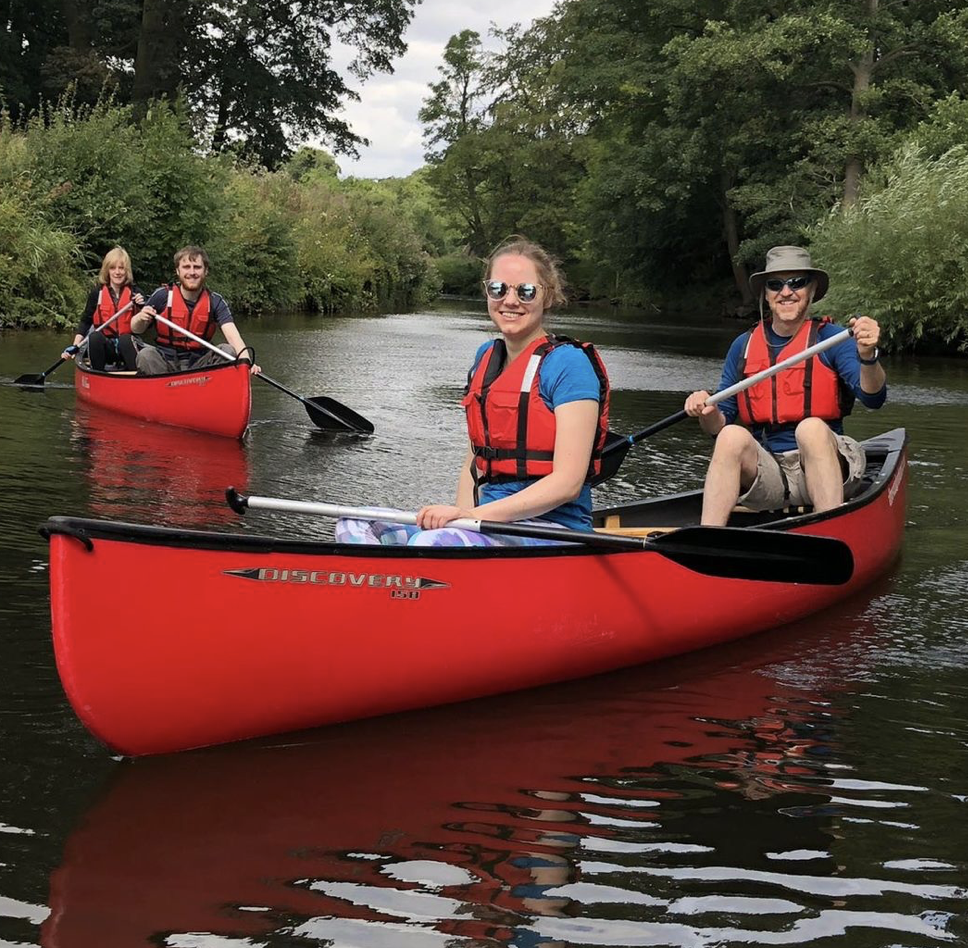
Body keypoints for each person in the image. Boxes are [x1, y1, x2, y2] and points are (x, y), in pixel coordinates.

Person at [336, 237, 610, 546]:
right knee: (357, 522)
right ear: (487, 292)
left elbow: (568, 483)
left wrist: (468, 518)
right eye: (498, 289)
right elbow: (474, 459)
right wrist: (463, 512)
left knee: (432, 544)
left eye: (526, 291)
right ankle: (397, 592)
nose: (510, 300)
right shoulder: (485, 359)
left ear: (546, 297)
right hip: (485, 521)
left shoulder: (569, 364)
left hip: (553, 527)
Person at [684, 245, 887, 526]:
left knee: (811, 428)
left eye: (797, 283)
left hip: (830, 465)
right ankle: (706, 539)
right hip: (772, 474)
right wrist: (706, 411)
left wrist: (868, 355)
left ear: (812, 290)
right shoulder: (742, 347)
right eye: (776, 284)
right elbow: (718, 426)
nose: (786, 292)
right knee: (730, 435)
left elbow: (873, 397)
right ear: (766, 294)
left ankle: (831, 530)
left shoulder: (833, 339)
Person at [131, 246, 260, 375]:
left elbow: (233, 336)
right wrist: (140, 318)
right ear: (178, 271)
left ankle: (209, 388)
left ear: (206, 271)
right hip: (165, 364)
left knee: (228, 350)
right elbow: (136, 329)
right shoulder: (162, 296)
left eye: (197, 267)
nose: (192, 272)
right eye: (186, 267)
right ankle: (161, 391)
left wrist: (246, 362)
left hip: (200, 367)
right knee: (146, 355)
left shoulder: (215, 301)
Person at [63, 247, 144, 371]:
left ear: (126, 271)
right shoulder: (97, 293)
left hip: (127, 345)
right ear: (107, 271)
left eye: (121, 268)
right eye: (113, 268)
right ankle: (97, 374)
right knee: (94, 337)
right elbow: (86, 321)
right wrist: (75, 345)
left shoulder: (136, 294)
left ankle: (135, 376)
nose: (117, 272)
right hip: (105, 346)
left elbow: (147, 324)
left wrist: (142, 306)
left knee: (125, 339)